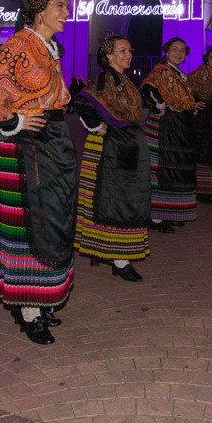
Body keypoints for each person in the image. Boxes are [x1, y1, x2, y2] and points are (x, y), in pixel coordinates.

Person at [0, 0, 77, 345]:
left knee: (53, 217)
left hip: (53, 145)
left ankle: (41, 301)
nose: (65, 13)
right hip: (28, 148)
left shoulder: (47, 47)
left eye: (66, 6)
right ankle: (29, 308)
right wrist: (13, 122)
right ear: (39, 10)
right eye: (59, 6)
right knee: (31, 223)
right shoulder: (18, 45)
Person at [72, 35, 151, 282]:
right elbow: (85, 102)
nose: (128, 54)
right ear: (108, 56)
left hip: (122, 146)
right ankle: (120, 260)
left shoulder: (123, 80)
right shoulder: (106, 80)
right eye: (122, 50)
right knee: (115, 199)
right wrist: (99, 127)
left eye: (129, 50)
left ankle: (105, 251)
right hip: (109, 148)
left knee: (115, 198)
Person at [141, 38, 198, 231]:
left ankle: (168, 211)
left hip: (178, 125)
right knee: (161, 169)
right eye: (175, 49)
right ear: (167, 51)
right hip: (164, 126)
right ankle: (156, 217)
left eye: (183, 50)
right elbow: (148, 87)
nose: (179, 53)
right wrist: (160, 105)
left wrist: (191, 106)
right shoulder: (162, 70)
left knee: (173, 167)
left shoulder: (177, 72)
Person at [187, 47, 212, 203]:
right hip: (205, 115)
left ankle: (210, 188)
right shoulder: (200, 72)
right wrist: (192, 103)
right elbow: (183, 84)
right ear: (206, 59)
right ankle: (200, 191)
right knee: (204, 148)